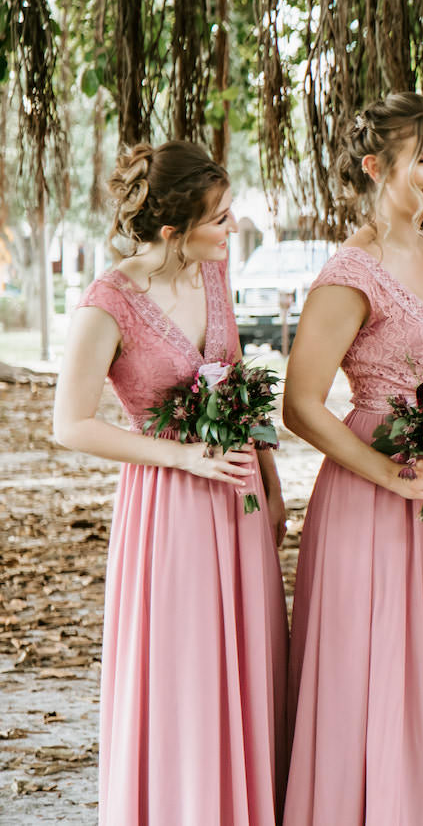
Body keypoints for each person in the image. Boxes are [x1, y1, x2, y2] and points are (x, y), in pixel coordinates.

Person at [54, 141, 288, 824]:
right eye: (220, 218)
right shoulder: (109, 302)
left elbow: (240, 387)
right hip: (168, 509)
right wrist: (181, 458)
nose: (232, 228)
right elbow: (70, 423)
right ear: (171, 229)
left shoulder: (213, 276)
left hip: (238, 497)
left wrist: (269, 486)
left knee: (243, 670)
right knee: (184, 673)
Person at [281, 93, 423, 826]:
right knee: (378, 668)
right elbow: (301, 403)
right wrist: (392, 472)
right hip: (376, 486)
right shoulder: (350, 271)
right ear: (375, 166)